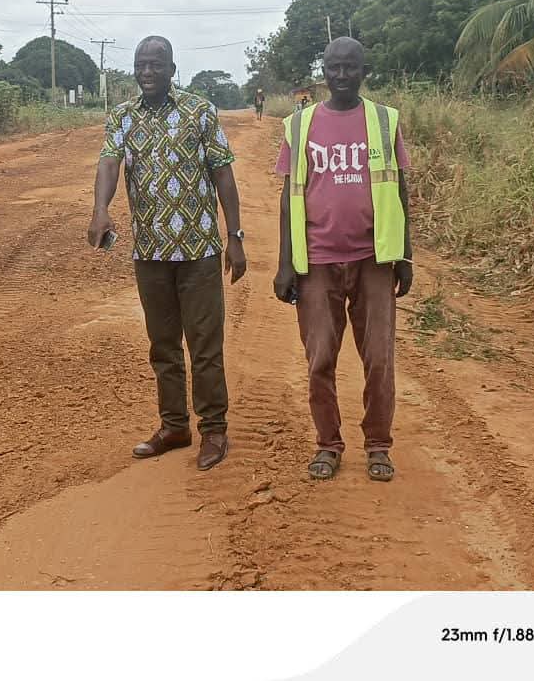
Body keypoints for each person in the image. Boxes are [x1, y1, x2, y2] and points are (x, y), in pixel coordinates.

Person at [88, 35, 247, 471]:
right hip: (151, 252)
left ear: (172, 70)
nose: (147, 72)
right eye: (141, 65)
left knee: (205, 345)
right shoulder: (122, 117)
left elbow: (224, 177)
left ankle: (214, 429)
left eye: (156, 65)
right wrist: (100, 210)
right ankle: (174, 425)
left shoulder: (200, 112)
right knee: (162, 345)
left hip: (199, 252)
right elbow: (108, 163)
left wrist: (235, 236)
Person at [273, 37, 413, 482]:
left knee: (378, 359)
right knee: (319, 360)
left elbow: (400, 190)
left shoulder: (384, 120)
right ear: (324, 71)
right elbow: (287, 196)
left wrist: (405, 254)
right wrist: (284, 263)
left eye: (350, 67)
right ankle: (328, 445)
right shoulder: (300, 125)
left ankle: (378, 445)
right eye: (333, 67)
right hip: (315, 262)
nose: (341, 75)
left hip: (374, 258)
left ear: (364, 71)